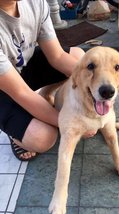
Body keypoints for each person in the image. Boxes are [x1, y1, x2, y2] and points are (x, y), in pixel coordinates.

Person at [0, 0, 85, 161]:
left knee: (79, 60)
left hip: (22, 66)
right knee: (43, 138)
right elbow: (21, 93)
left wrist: (96, 83)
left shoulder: (35, 3)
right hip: (4, 88)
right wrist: (70, 123)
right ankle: (14, 135)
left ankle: (45, 95)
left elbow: (58, 57)